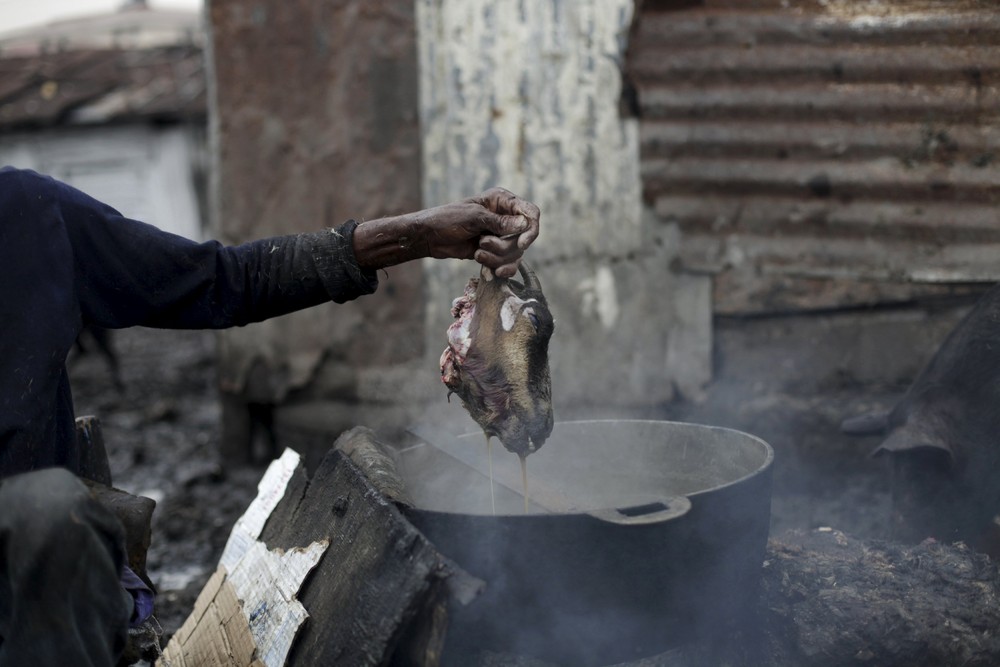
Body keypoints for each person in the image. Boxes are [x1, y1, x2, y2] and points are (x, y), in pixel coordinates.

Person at [0, 166, 541, 665]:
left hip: (49, 591)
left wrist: (416, 235)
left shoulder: (24, 214)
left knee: (49, 518)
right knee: (44, 510)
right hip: (34, 551)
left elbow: (221, 279)